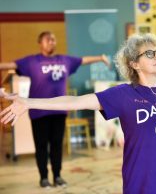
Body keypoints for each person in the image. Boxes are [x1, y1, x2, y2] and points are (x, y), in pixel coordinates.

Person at [0, 33, 156, 194]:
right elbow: (75, 101)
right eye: (149, 53)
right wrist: (28, 102)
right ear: (134, 63)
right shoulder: (124, 94)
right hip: (140, 184)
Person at [0, 31, 110, 189]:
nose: (51, 41)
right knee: (41, 146)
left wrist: (100, 57)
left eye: (53, 39)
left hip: (59, 111)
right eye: (47, 39)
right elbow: (10, 65)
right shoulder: (31, 61)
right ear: (40, 43)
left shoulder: (65, 60)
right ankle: (43, 178)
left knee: (57, 145)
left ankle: (57, 175)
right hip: (38, 112)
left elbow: (83, 60)